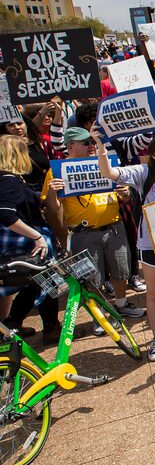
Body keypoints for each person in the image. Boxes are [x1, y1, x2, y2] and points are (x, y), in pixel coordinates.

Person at [94, 133, 155, 361]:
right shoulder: (144, 173)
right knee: (154, 294)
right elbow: (108, 173)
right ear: (153, 154)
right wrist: (101, 148)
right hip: (151, 246)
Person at [42, 127, 145, 330]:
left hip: (113, 227)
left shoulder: (104, 164)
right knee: (93, 276)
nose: (91, 146)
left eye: (92, 142)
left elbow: (123, 196)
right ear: (70, 146)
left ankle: (121, 304)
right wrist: (53, 193)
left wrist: (125, 194)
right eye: (86, 143)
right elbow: (52, 210)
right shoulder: (57, 171)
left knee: (120, 269)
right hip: (84, 233)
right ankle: (101, 315)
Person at [0, 135, 58, 341]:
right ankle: (46, 328)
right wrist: (37, 237)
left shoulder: (8, 179)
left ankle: (12, 325)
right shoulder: (9, 180)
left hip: (18, 242)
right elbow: (6, 213)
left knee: (36, 283)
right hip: (24, 243)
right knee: (45, 282)